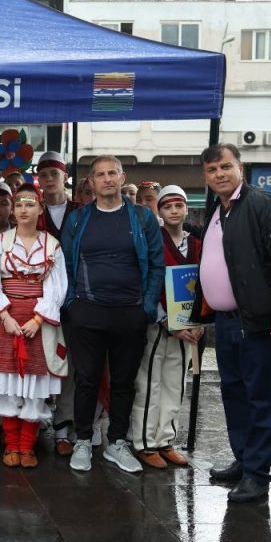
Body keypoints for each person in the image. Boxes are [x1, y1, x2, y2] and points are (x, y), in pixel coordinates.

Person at [192, 144, 271, 503]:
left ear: (240, 167)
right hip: (227, 322)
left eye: (225, 166)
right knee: (234, 394)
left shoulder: (265, 205)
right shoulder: (219, 209)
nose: (219, 174)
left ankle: (258, 474)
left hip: (260, 323)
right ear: (205, 176)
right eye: (212, 169)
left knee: (262, 398)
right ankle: (245, 460)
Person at [60, 155, 164, 474]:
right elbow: (64, 264)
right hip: (86, 311)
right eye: (100, 174)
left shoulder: (142, 218)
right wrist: (71, 305)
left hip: (130, 312)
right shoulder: (78, 219)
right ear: (91, 182)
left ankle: (116, 442)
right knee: (86, 379)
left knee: (123, 381)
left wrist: (147, 306)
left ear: (122, 177)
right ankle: (83, 440)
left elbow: (156, 264)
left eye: (112, 173)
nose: (107, 179)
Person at [0, 183, 68, 469]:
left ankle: (26, 446)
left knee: (35, 382)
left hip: (37, 321)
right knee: (6, 383)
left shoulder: (52, 245)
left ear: (40, 209)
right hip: (5, 319)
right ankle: (11, 444)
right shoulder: (0, 241)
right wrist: (6, 317)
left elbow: (57, 287)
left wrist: (38, 319)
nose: (23, 210)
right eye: (18, 204)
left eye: (30, 204)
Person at [130, 185, 204, 469]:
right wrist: (164, 319)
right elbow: (146, 282)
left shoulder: (197, 244)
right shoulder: (153, 241)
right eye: (167, 206)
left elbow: (205, 283)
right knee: (149, 383)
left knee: (176, 383)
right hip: (158, 323)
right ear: (159, 210)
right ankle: (144, 441)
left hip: (188, 327)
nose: (174, 211)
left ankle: (165, 439)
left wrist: (200, 320)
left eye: (178, 205)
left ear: (186, 208)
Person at [34, 151, 82, 455]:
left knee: (71, 363)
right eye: (44, 175)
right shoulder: (33, 212)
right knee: (41, 359)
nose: (49, 179)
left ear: (65, 176)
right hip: (41, 299)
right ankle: (36, 417)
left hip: (77, 298)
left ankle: (65, 423)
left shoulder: (82, 212)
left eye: (54, 173)